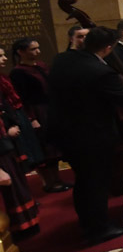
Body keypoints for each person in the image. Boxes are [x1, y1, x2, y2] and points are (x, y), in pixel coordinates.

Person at [47, 27, 123, 243]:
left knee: (83, 180)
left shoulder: (62, 59)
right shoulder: (101, 72)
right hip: (92, 134)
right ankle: (98, 228)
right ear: (108, 47)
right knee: (96, 181)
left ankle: (88, 221)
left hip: (64, 131)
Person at [8, 37, 70, 192]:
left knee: (54, 147)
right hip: (35, 111)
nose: (37, 51)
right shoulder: (18, 72)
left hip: (49, 109)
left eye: (38, 48)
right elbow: (22, 97)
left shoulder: (41, 65)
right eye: (33, 49)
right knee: (43, 148)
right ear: (21, 52)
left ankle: (57, 179)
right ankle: (48, 182)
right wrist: (32, 118)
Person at [0, 46, 40, 239]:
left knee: (17, 181)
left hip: (6, 137)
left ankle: (25, 224)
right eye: (0, 55)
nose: (4, 58)